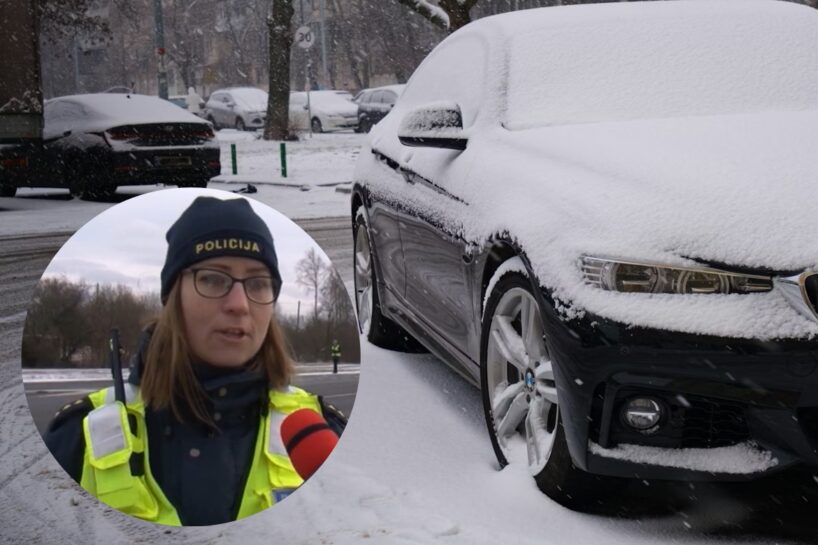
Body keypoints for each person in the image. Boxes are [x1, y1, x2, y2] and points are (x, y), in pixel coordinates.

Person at [44, 196, 345, 526]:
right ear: (174, 296)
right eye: (213, 279)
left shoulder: (321, 433)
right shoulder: (79, 438)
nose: (239, 304)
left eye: (258, 283)